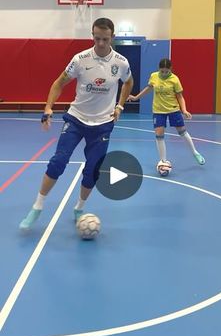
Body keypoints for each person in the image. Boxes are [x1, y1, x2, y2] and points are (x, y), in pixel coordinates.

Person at [20, 17, 133, 229]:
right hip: (76, 118)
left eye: (105, 39)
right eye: (97, 38)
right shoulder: (80, 59)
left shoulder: (121, 62)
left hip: (103, 123)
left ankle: (79, 207)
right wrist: (48, 107)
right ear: (92, 35)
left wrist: (120, 106)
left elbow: (128, 82)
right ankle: (37, 206)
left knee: (93, 171)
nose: (100, 43)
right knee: (58, 161)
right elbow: (59, 82)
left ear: (113, 38)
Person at [128, 58, 205, 169]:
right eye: (162, 71)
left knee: (182, 131)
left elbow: (180, 96)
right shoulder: (154, 76)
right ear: (159, 69)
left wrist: (184, 110)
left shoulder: (175, 79)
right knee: (159, 135)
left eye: (166, 71)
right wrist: (136, 97)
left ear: (170, 69)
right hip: (158, 110)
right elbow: (148, 88)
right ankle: (163, 160)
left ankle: (195, 152)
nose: (164, 73)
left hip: (173, 109)